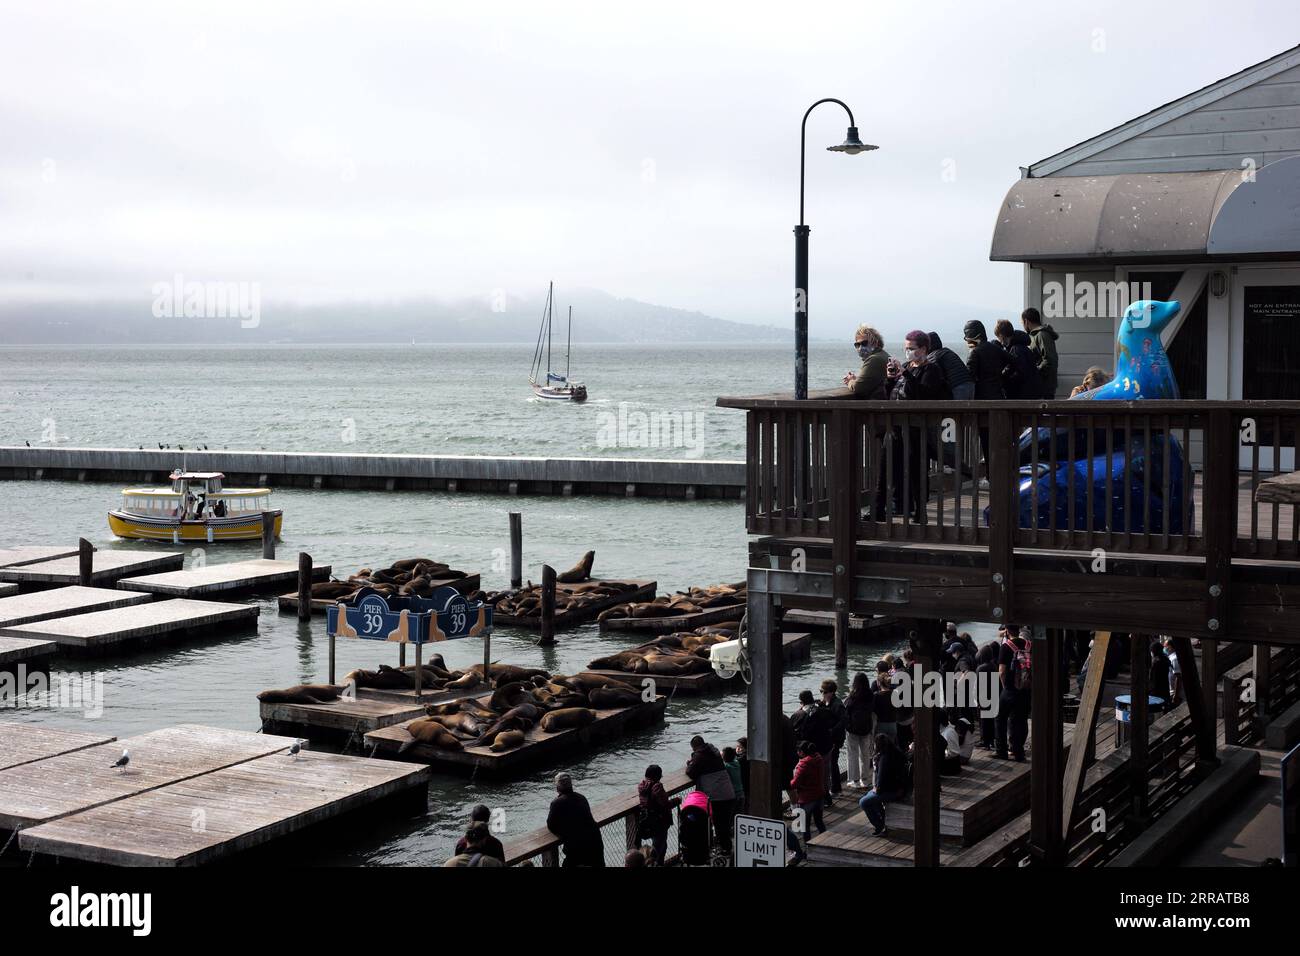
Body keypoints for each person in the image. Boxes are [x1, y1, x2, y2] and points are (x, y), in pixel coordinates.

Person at [888, 330, 949, 523]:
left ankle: (919, 510)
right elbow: (892, 394)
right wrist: (890, 378)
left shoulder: (932, 369)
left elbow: (923, 394)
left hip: (919, 427)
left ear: (923, 349)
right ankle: (902, 506)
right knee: (898, 466)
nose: (908, 352)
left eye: (912, 348)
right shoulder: (906, 367)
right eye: (906, 348)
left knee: (917, 469)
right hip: (899, 426)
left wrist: (906, 373)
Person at [685, 735, 736, 855]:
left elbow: (691, 772)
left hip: (717, 795)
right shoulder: (714, 751)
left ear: (694, 747)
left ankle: (725, 850)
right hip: (727, 792)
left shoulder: (699, 755)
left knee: (719, 825)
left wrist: (690, 763)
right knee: (723, 824)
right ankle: (725, 848)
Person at [546, 772, 605, 867]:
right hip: (595, 843)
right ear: (571, 785)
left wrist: (564, 831)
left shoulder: (557, 803)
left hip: (577, 848)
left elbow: (551, 825)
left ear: (557, 788)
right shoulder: (581, 798)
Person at [996, 626, 1033, 761]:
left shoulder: (1006, 646)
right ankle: (1018, 752)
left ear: (1007, 631)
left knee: (1000, 719)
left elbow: (1002, 671)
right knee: (1020, 720)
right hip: (1025, 689)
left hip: (1010, 689)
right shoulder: (1029, 645)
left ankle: (1001, 751)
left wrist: (1005, 686)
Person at [859, 733, 907, 836]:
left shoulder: (884, 759)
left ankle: (879, 825)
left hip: (891, 791)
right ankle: (884, 821)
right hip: (898, 788)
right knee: (869, 797)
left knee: (863, 802)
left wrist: (876, 789)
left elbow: (881, 779)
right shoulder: (895, 752)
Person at [789, 741, 826, 862]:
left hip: (806, 799)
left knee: (805, 827)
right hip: (819, 795)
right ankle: (825, 842)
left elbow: (794, 783)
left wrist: (787, 783)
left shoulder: (803, 765)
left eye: (798, 751)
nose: (797, 753)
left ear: (802, 752)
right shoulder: (818, 758)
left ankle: (808, 849)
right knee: (819, 822)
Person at [993, 319, 1042, 400]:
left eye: (999, 337)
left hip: (1023, 395)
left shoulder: (1015, 350)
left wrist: (1003, 378)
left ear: (1001, 336)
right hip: (1032, 392)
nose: (1000, 341)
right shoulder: (1022, 347)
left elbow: (1018, 372)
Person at [843, 672, 875, 788]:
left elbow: (846, 710)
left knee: (853, 754)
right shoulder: (870, 695)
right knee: (865, 754)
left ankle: (855, 780)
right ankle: (865, 779)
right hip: (866, 728)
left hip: (853, 730)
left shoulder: (852, 696)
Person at [636, 764, 672, 865]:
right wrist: (677, 800)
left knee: (657, 845)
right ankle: (657, 864)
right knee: (659, 848)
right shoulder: (657, 787)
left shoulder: (641, 786)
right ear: (657, 776)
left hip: (648, 821)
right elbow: (665, 804)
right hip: (660, 821)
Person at [963, 320, 1008, 401]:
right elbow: (1013, 362)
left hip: (982, 397)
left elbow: (969, 376)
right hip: (999, 394)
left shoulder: (974, 352)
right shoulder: (996, 348)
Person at [843, 324, 891, 398]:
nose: (860, 347)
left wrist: (850, 381)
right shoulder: (884, 355)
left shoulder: (874, 359)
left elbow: (857, 388)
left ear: (875, 343)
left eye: (864, 343)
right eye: (857, 345)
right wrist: (857, 379)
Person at [1021, 307, 1060, 398]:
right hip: (1040, 385)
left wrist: (1035, 372)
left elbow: (1050, 359)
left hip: (1044, 387)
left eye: (1022, 323)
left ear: (1026, 321)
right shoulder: (1036, 335)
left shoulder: (1042, 335)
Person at [926, 330, 974, 400]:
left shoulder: (933, 356)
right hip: (970, 384)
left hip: (958, 386)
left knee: (955, 410)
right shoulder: (947, 351)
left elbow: (934, 375)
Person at [819, 679, 847, 801]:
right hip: (829, 738)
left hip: (835, 739)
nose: (822, 694)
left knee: (833, 763)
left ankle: (836, 788)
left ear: (831, 692)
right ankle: (834, 787)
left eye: (823, 692)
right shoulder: (827, 702)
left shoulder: (838, 705)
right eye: (821, 691)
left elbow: (843, 722)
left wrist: (832, 731)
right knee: (831, 763)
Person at [677, 789, 712, 866]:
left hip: (688, 851)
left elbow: (681, 837)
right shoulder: (703, 823)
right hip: (702, 849)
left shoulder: (685, 825)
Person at [975, 640, 1000, 748]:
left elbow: (978, 685)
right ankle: (991, 740)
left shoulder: (980, 668)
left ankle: (984, 741)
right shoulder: (994, 665)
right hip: (993, 695)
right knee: (991, 719)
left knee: (983, 720)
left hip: (983, 696)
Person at [872, 671, 899, 743]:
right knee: (890, 748)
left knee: (879, 749)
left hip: (881, 725)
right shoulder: (895, 694)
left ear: (879, 683)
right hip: (893, 725)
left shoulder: (876, 695)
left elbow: (873, 710)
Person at [1149, 640, 1172, 711]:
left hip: (1156, 692)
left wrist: (1150, 692)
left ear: (1153, 651)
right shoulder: (1166, 659)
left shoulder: (1156, 662)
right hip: (1165, 689)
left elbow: (1154, 680)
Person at [722, 746, 746, 813]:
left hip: (733, 795)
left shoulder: (726, 766)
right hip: (741, 793)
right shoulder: (737, 763)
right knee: (740, 814)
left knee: (731, 816)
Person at [1162, 636, 1183, 705]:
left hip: (1175, 694)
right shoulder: (1171, 657)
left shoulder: (1175, 659)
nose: (1164, 648)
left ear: (1170, 647)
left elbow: (1178, 677)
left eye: (1165, 646)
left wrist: (1176, 695)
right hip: (1171, 692)